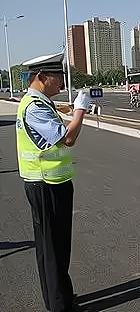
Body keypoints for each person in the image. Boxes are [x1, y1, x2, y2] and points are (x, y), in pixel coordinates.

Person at [15, 52, 92, 312]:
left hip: (52, 182)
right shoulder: (35, 106)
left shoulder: (39, 101)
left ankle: (60, 296)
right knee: (53, 247)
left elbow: (55, 111)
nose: (62, 81)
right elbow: (67, 138)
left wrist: (68, 107)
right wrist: (80, 109)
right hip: (46, 184)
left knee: (56, 246)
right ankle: (59, 305)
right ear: (42, 77)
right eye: (58, 76)